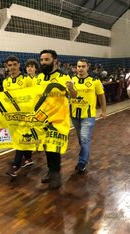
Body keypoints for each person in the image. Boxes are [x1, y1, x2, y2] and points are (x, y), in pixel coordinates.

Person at [32, 49, 77, 189]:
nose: (43, 62)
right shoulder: (38, 78)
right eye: (41, 60)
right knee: (47, 147)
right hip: (42, 118)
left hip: (58, 118)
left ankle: (56, 174)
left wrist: (71, 89)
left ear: (55, 61)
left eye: (46, 60)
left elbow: (74, 95)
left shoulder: (64, 77)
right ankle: (51, 171)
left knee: (54, 147)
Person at [70, 59, 106, 174]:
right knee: (81, 140)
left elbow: (101, 96)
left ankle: (82, 162)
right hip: (75, 115)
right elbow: (70, 96)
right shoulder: (72, 80)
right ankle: (85, 156)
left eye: (83, 66)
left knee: (85, 138)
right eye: (78, 66)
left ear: (87, 67)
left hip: (89, 115)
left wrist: (103, 111)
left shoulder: (95, 80)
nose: (80, 68)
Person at [2, 56, 33, 177]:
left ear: (19, 65)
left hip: (26, 114)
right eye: (9, 65)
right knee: (21, 138)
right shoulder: (6, 81)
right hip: (13, 115)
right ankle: (29, 158)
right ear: (7, 67)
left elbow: (33, 96)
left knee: (20, 140)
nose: (12, 67)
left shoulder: (27, 79)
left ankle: (15, 166)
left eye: (14, 64)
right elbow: (6, 98)